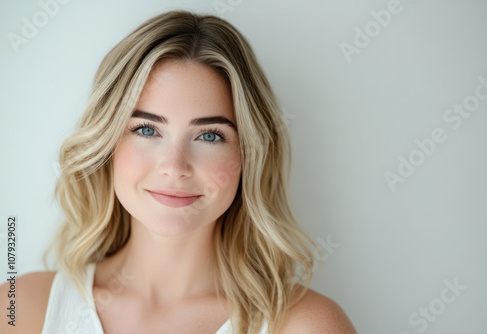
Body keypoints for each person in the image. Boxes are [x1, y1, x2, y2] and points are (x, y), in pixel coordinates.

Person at [0, 10, 356, 334]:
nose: (174, 167)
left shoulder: (306, 325)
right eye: (146, 130)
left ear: (249, 155)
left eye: (210, 135)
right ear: (106, 143)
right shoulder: (20, 309)